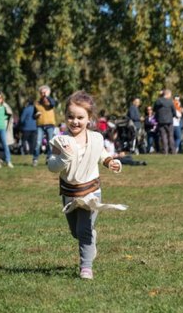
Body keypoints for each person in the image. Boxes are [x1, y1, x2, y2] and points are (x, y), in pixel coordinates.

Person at [47, 91, 125, 280]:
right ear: (65, 117)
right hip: (69, 194)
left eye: (80, 117)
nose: (75, 121)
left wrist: (111, 162)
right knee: (76, 232)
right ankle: (90, 241)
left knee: (84, 230)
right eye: (71, 117)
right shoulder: (60, 140)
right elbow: (52, 166)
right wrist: (63, 157)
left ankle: (86, 267)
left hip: (91, 192)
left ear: (89, 118)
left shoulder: (96, 138)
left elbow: (103, 155)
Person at [33, 85, 57, 166]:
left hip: (50, 125)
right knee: (38, 143)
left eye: (44, 92)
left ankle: (49, 158)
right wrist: (36, 115)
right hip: (40, 125)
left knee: (50, 143)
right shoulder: (37, 103)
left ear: (48, 93)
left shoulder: (51, 102)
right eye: (41, 92)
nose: (43, 94)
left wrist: (47, 96)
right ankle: (35, 159)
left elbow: (53, 104)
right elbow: (33, 116)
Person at [153, 89, 176, 154]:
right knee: (170, 136)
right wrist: (173, 116)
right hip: (169, 121)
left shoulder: (158, 101)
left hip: (160, 121)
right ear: (168, 94)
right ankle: (172, 150)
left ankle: (165, 150)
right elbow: (174, 111)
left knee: (163, 136)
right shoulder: (170, 102)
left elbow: (154, 109)